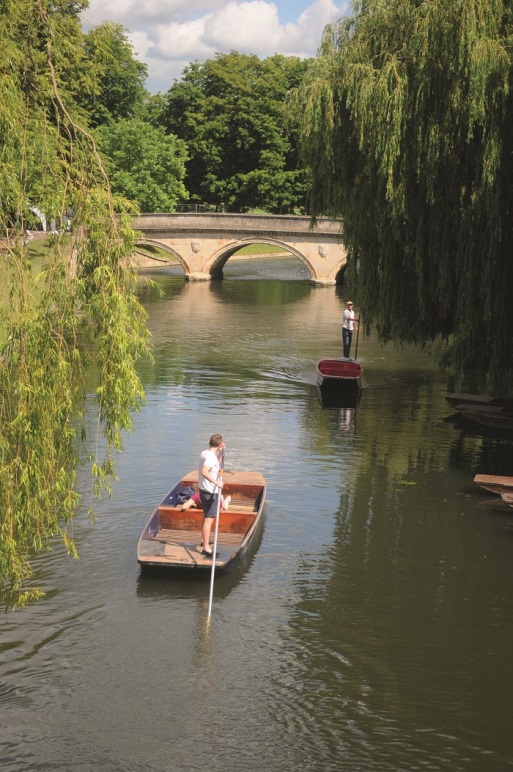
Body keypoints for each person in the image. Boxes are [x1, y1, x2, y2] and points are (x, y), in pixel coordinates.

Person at [198, 433, 225, 557]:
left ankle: (204, 540)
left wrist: (220, 452)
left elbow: (215, 464)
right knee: (209, 519)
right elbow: (204, 471)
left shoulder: (205, 453)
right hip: (210, 492)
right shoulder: (210, 457)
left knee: (205, 515)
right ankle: (206, 548)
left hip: (203, 490)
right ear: (219, 444)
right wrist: (217, 483)